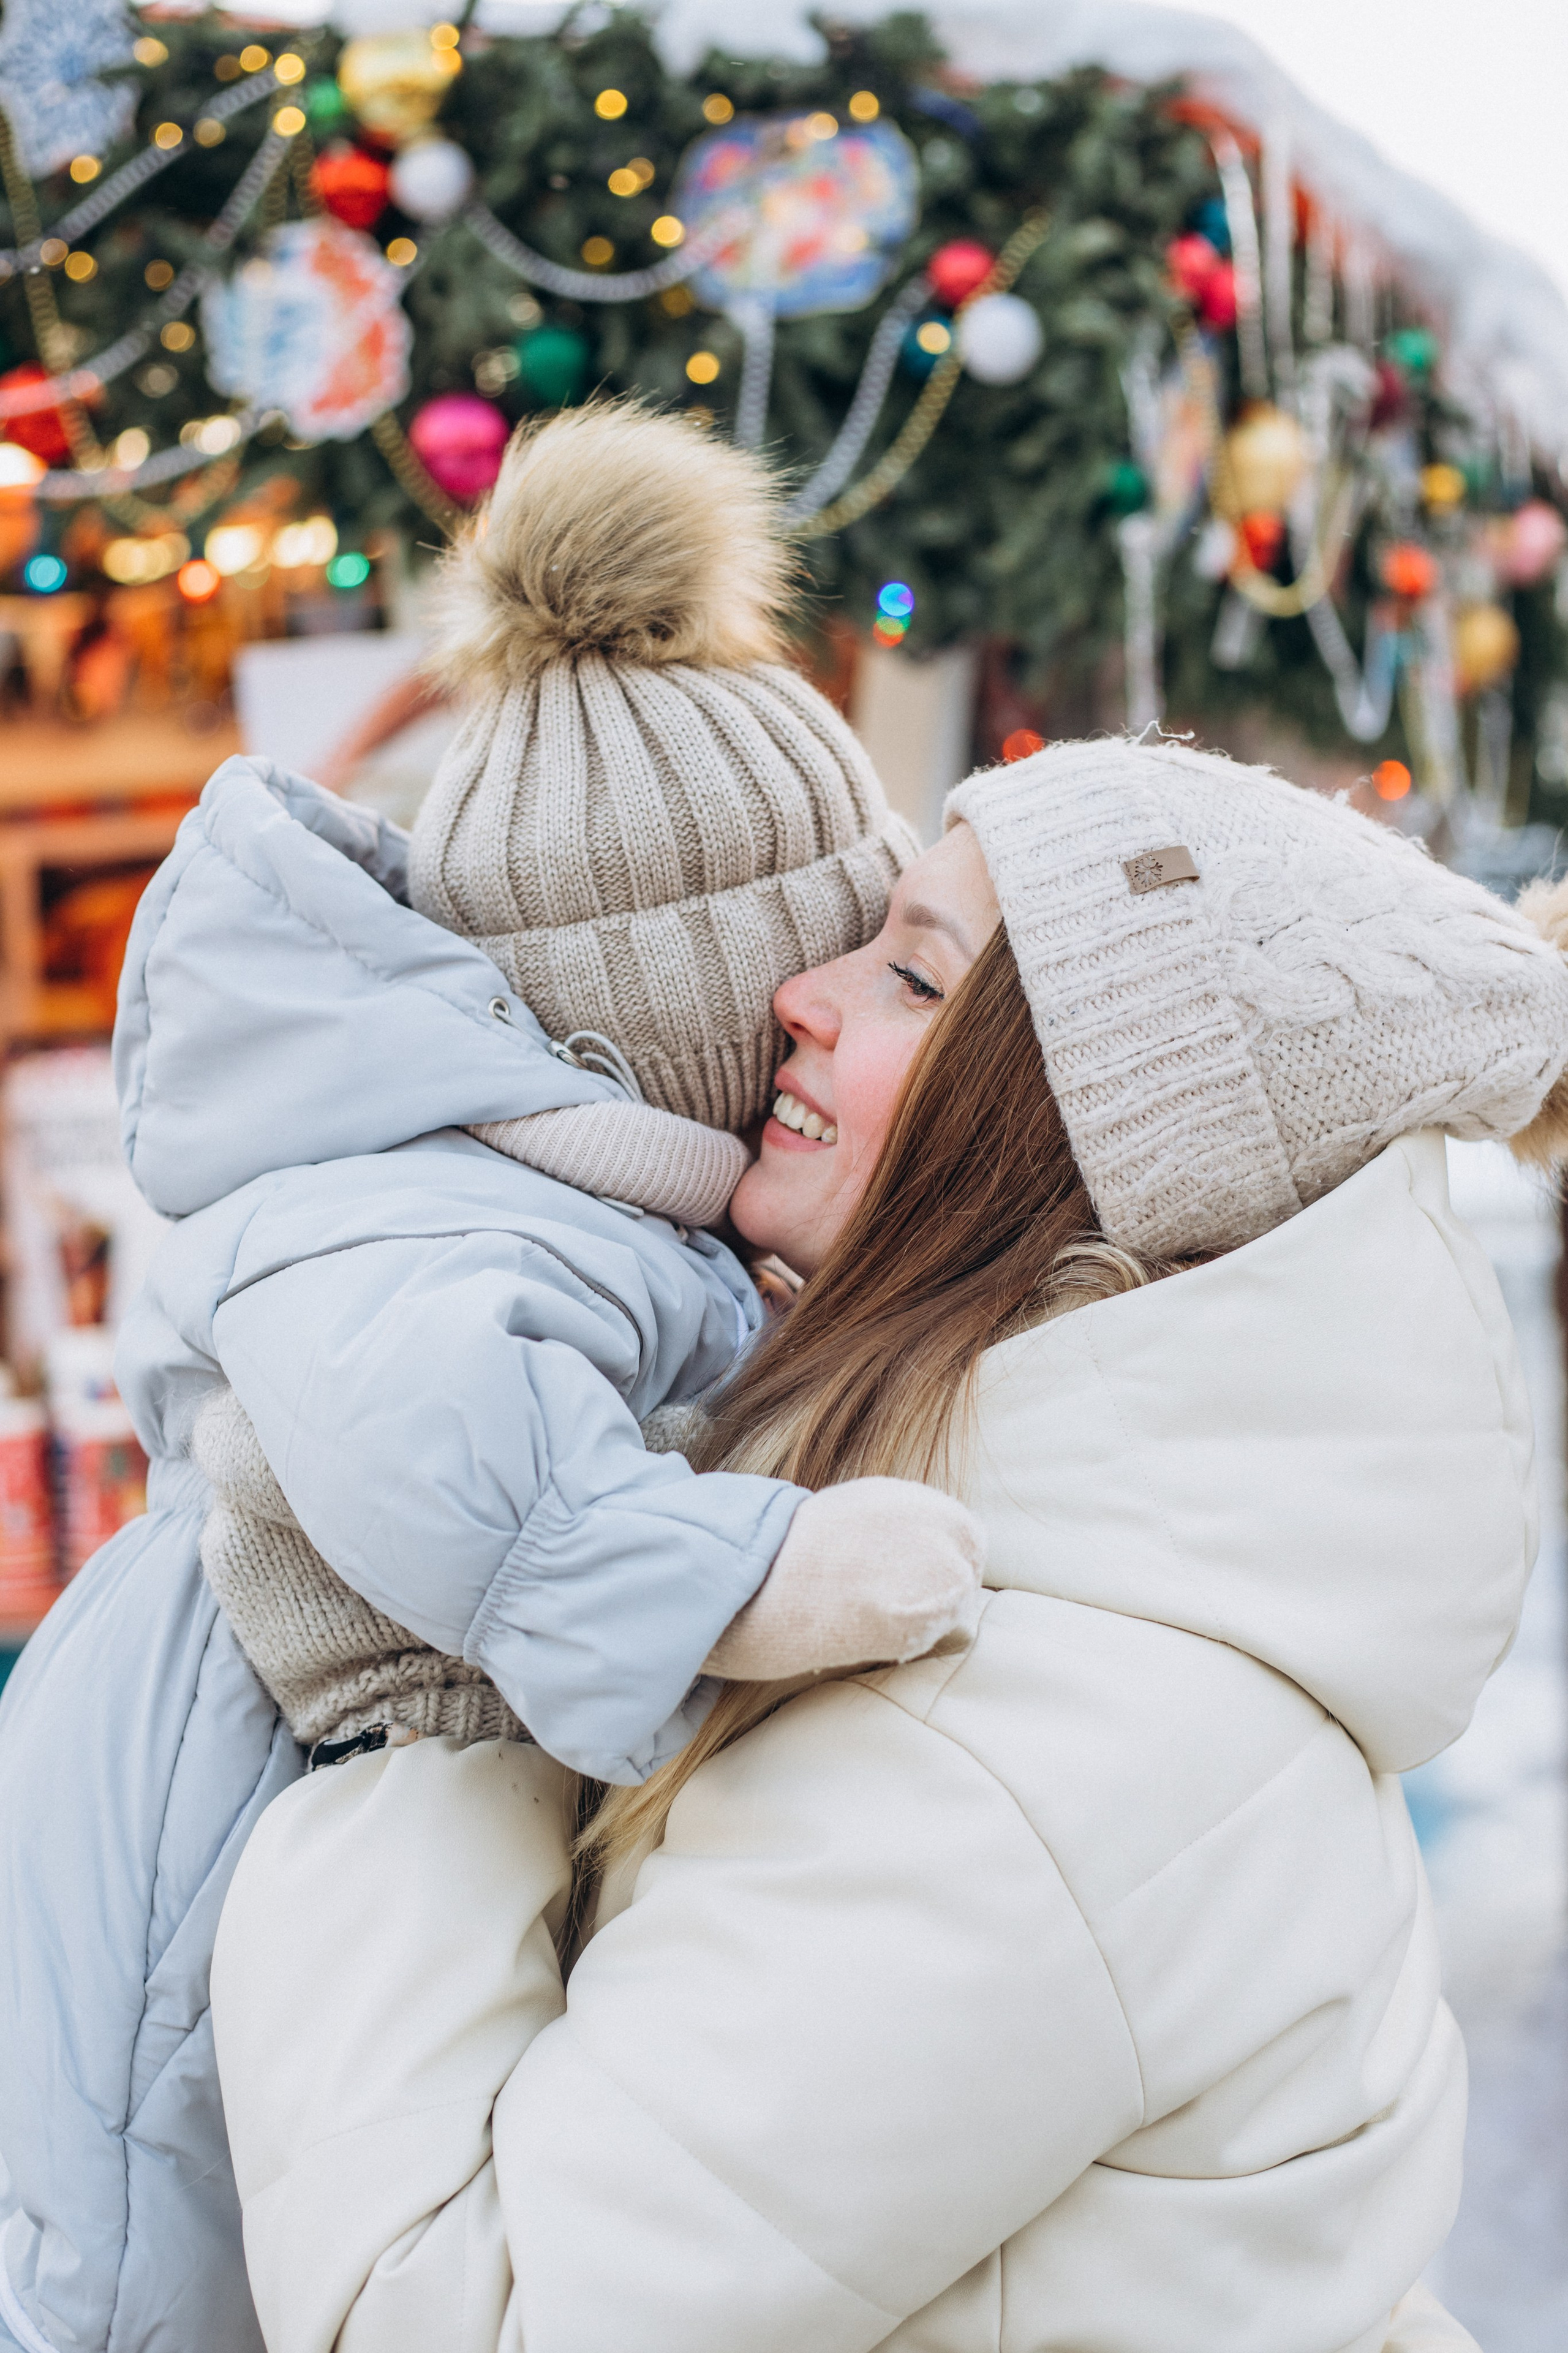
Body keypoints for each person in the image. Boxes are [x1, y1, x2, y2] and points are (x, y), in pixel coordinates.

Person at [210, 733, 1567, 2353]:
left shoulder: (1024, 1762)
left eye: (915, 976)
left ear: (1067, 1144)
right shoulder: (1069, 1618)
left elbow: (453, 2321)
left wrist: (415, 1706)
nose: (803, 988)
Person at [0, 406, 983, 2353]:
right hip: (190, 1813)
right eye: (833, 950)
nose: (836, 1004)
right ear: (695, 1002)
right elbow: (426, 1419)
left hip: (268, 1784)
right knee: (144, 2237)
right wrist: (737, 1576)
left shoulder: (596, 1186)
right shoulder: (463, 1205)